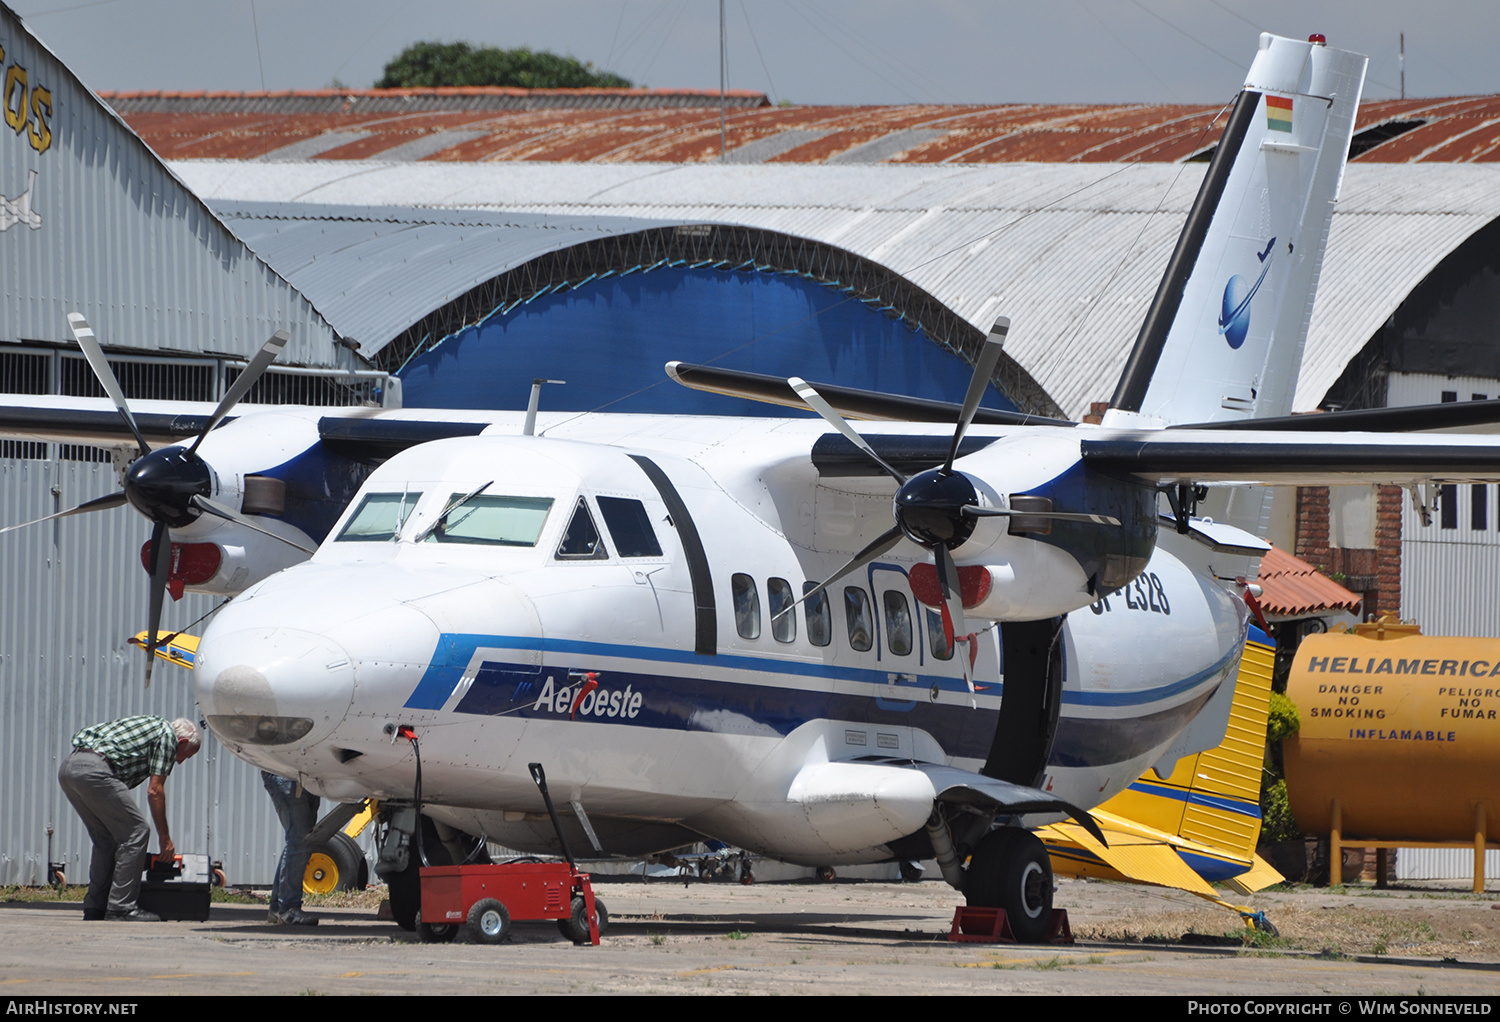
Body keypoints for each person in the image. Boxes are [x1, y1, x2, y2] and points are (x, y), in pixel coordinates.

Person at [57, 715, 201, 921]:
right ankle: (121, 908)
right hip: (95, 771)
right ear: (183, 742)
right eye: (184, 756)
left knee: (105, 840)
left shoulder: (148, 724)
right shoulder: (168, 736)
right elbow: (155, 791)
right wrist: (165, 839)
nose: (178, 761)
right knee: (137, 831)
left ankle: (95, 907)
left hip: (69, 769)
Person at [261, 772, 320, 926]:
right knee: (300, 841)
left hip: (309, 776)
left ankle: (277, 907)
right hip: (287, 776)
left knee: (299, 841)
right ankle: (288, 908)